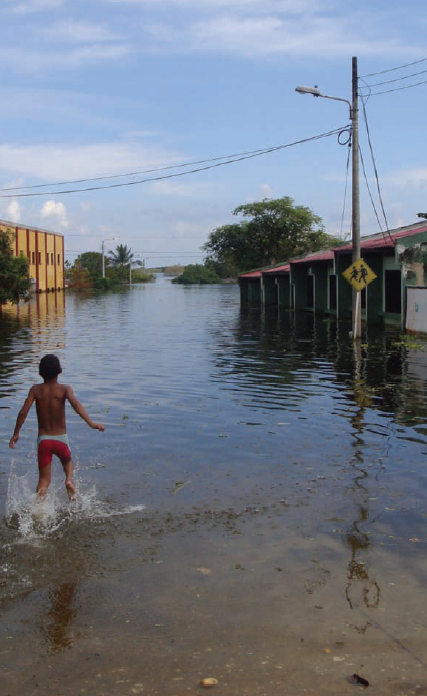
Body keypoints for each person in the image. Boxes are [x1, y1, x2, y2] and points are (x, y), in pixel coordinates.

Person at [9, 354, 105, 500]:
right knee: (67, 461)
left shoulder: (35, 390)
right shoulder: (65, 389)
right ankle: (69, 480)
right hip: (60, 439)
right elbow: (76, 405)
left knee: (44, 481)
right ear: (60, 371)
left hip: (44, 441)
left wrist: (16, 433)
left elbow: (23, 412)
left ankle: (39, 510)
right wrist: (91, 423)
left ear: (40, 373)